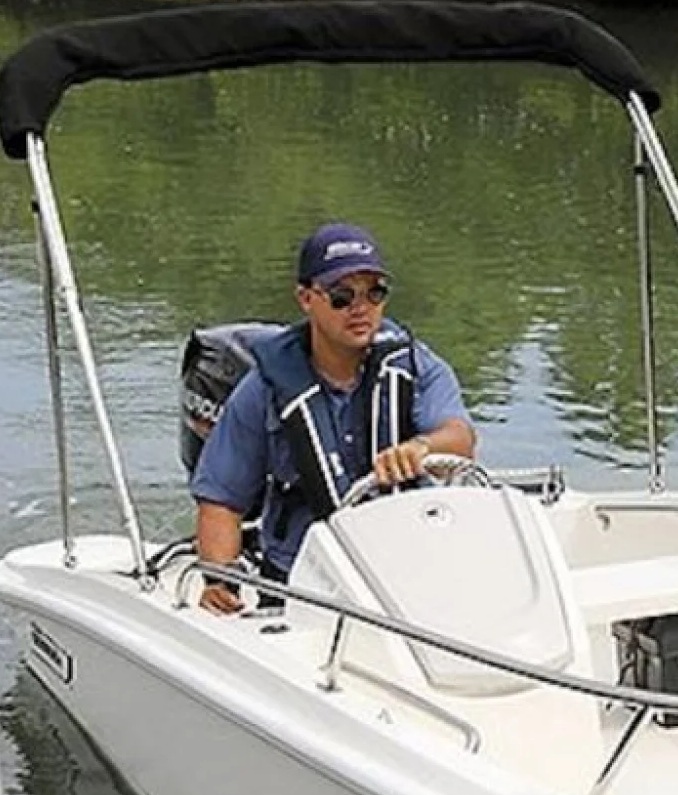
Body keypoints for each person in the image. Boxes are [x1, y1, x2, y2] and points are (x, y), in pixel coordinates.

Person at [188, 222, 477, 614]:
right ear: (307, 299)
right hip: (301, 584)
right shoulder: (265, 387)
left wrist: (421, 447)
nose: (361, 308)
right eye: (342, 296)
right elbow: (222, 500)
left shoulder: (416, 368)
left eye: (374, 293)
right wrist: (221, 582)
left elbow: (459, 438)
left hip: (406, 572)